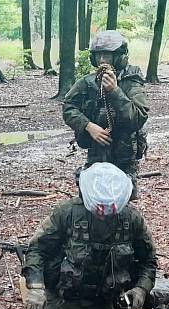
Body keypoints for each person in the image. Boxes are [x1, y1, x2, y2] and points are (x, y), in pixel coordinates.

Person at [21, 162, 156, 309]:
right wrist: (37, 287)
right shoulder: (66, 213)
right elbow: (36, 249)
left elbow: (149, 260)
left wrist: (140, 289)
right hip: (62, 296)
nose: (103, 215)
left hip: (101, 301)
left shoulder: (132, 220)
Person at [62, 30, 148, 196]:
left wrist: (115, 92)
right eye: (98, 55)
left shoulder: (132, 83)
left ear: (119, 57)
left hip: (124, 158)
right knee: (91, 198)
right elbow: (68, 107)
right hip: (96, 155)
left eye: (107, 56)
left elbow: (138, 117)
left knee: (122, 205)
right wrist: (88, 126)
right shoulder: (87, 83)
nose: (102, 60)